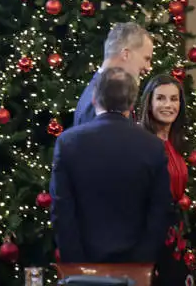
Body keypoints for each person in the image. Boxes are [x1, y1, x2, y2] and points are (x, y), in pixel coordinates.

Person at [51, 68, 173, 264]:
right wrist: (142, 261)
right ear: (132, 102)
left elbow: (61, 210)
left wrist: (76, 262)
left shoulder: (68, 142)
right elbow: (160, 211)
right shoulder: (152, 146)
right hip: (135, 266)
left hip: (83, 264)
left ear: (94, 99)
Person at [138, 75, 190, 286]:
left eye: (174, 99)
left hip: (177, 234)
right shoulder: (140, 142)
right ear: (149, 103)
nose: (168, 105)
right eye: (160, 98)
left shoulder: (177, 142)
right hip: (150, 234)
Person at [74, 23, 154, 127]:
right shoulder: (96, 101)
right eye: (146, 59)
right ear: (126, 54)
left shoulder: (102, 93)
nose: (148, 67)